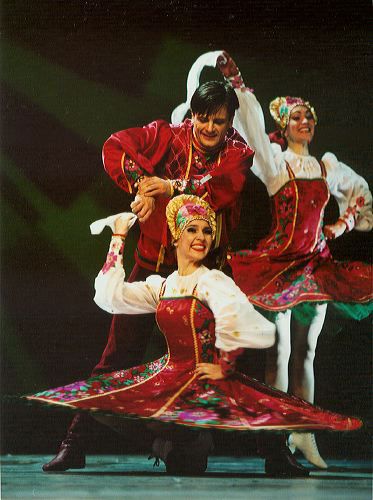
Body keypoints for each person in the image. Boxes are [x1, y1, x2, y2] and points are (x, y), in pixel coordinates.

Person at [28, 195, 362, 477]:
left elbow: (252, 326)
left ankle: (273, 455)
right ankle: (163, 446)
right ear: (175, 236)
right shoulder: (164, 284)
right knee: (101, 400)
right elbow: (111, 296)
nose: (200, 237)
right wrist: (118, 236)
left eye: (206, 230)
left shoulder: (214, 281)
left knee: (195, 459)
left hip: (205, 383)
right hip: (168, 378)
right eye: (192, 230)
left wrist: (224, 366)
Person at [42, 70, 255, 472]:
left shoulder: (238, 152)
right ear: (192, 115)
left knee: (235, 362)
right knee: (117, 356)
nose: (210, 127)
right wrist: (142, 185)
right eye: (203, 117)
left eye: (219, 120)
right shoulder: (166, 135)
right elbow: (115, 146)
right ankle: (76, 440)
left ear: (230, 124)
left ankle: (272, 452)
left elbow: (221, 185)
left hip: (204, 278)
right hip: (152, 266)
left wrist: (169, 186)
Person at [212, 53, 372, 469]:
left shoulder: (325, 165)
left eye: (309, 117)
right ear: (284, 124)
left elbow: (359, 194)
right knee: (279, 351)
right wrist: (239, 82)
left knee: (307, 352)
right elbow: (251, 129)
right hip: (279, 266)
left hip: (315, 267)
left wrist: (345, 223)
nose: (305, 122)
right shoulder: (276, 162)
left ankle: (304, 435)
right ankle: (276, 437)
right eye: (297, 117)